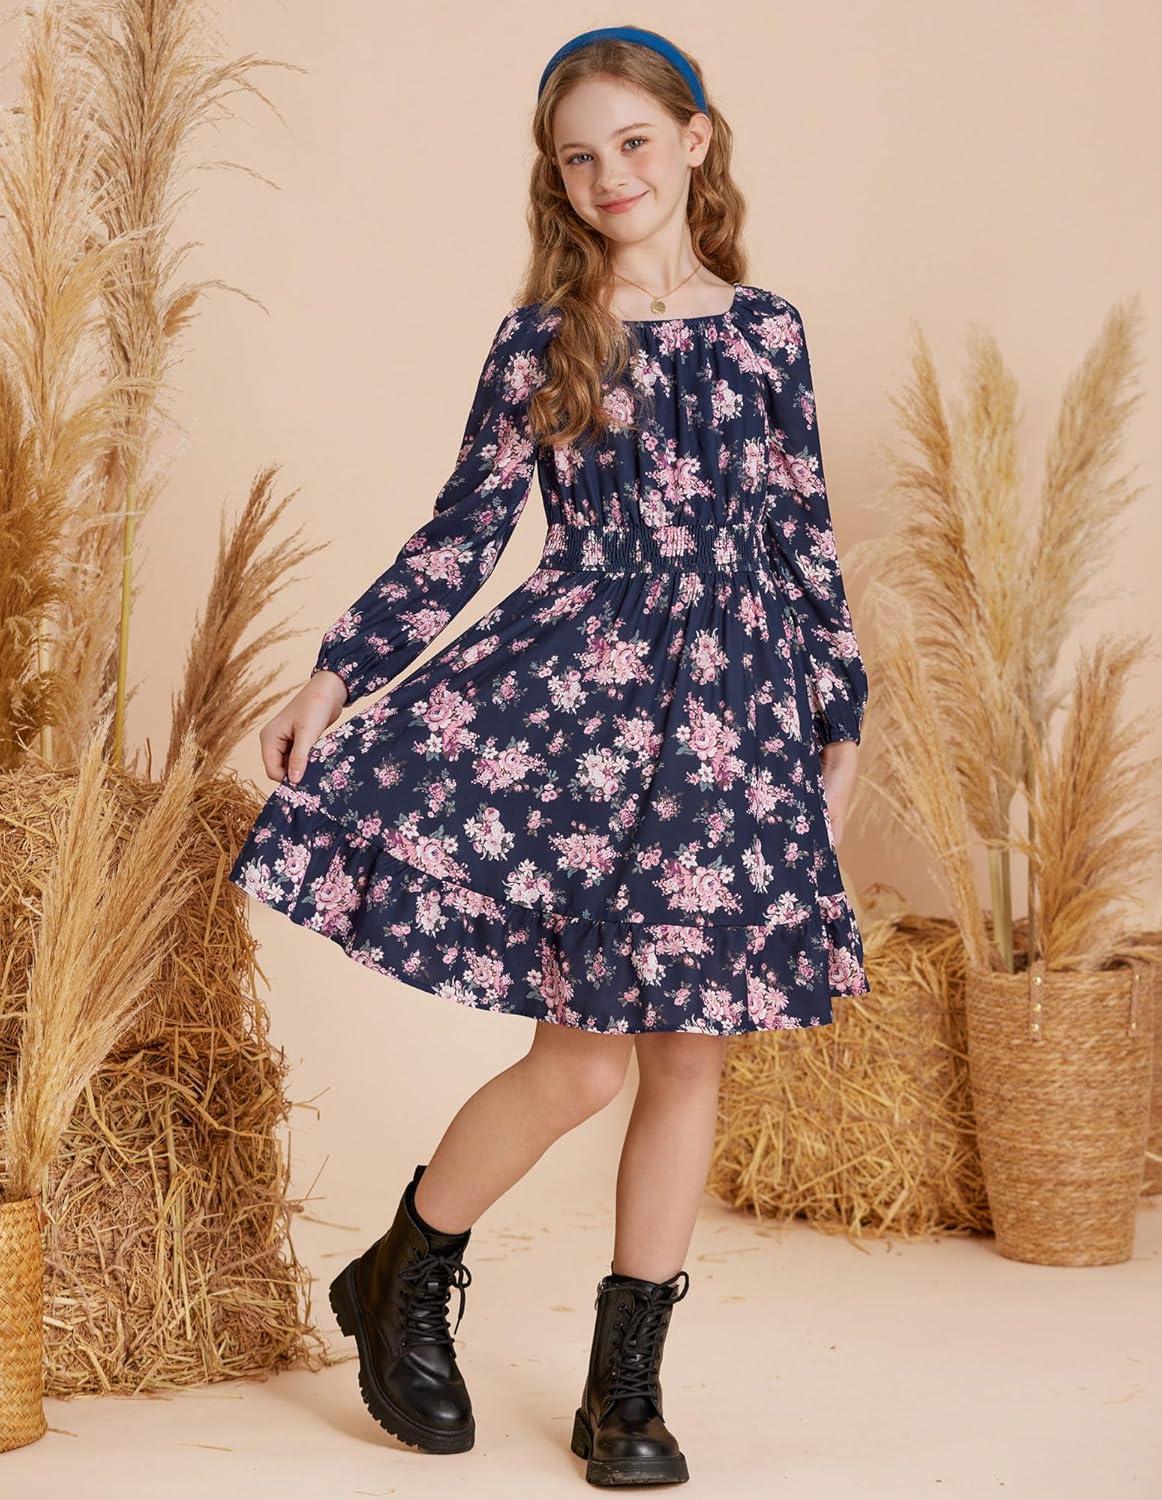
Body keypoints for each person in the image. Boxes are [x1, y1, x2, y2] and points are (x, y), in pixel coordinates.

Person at [229, 23, 869, 1489]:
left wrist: (839, 721)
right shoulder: (542, 340)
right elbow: (464, 532)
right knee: (582, 1064)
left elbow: (800, 535)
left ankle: (624, 1392)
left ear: (695, 140)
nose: (609, 175)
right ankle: (407, 1266)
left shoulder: (767, 332)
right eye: (579, 158)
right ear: (556, 180)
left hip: (733, 721)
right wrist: (339, 669)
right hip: (585, 722)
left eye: (633, 142)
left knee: (688, 1057)